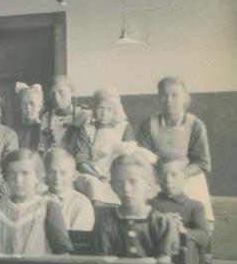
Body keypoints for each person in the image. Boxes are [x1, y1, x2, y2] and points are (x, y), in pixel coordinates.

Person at [137, 76, 214, 227]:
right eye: (164, 96)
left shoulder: (195, 125)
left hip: (187, 175)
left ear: (185, 98)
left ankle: (198, 232)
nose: (169, 101)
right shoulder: (148, 124)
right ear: (158, 99)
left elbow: (202, 162)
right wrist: (162, 175)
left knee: (195, 190)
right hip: (156, 174)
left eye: (175, 95)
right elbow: (143, 157)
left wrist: (180, 176)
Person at [0, 149, 73, 255]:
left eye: (25, 173)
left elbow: (63, 253)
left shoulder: (48, 208)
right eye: (12, 174)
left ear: (38, 177)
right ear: (5, 178)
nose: (18, 180)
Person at [74, 87, 136, 205]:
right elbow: (82, 161)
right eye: (100, 108)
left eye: (109, 109)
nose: (104, 113)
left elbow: (130, 155)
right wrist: (97, 176)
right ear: (94, 108)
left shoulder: (124, 127)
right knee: (93, 185)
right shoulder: (87, 129)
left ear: (116, 110)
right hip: (92, 172)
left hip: (117, 172)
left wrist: (114, 175)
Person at [149, 156, 209, 250]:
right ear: (158, 178)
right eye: (163, 175)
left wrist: (184, 231)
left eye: (174, 175)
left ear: (184, 177)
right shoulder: (150, 205)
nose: (168, 180)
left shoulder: (194, 206)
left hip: (183, 257)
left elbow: (204, 238)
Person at [43, 149, 94, 231]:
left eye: (63, 173)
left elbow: (78, 238)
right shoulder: (36, 200)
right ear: (44, 175)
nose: (57, 178)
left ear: (73, 176)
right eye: (52, 172)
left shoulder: (81, 204)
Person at [38, 75, 90, 154]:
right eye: (52, 94)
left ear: (72, 92)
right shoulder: (47, 117)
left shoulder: (83, 115)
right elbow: (43, 144)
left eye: (61, 92)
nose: (56, 97)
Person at [15, 83, 43, 152]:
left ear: (40, 106)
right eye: (24, 104)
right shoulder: (17, 132)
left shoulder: (44, 129)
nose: (28, 108)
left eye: (32, 103)